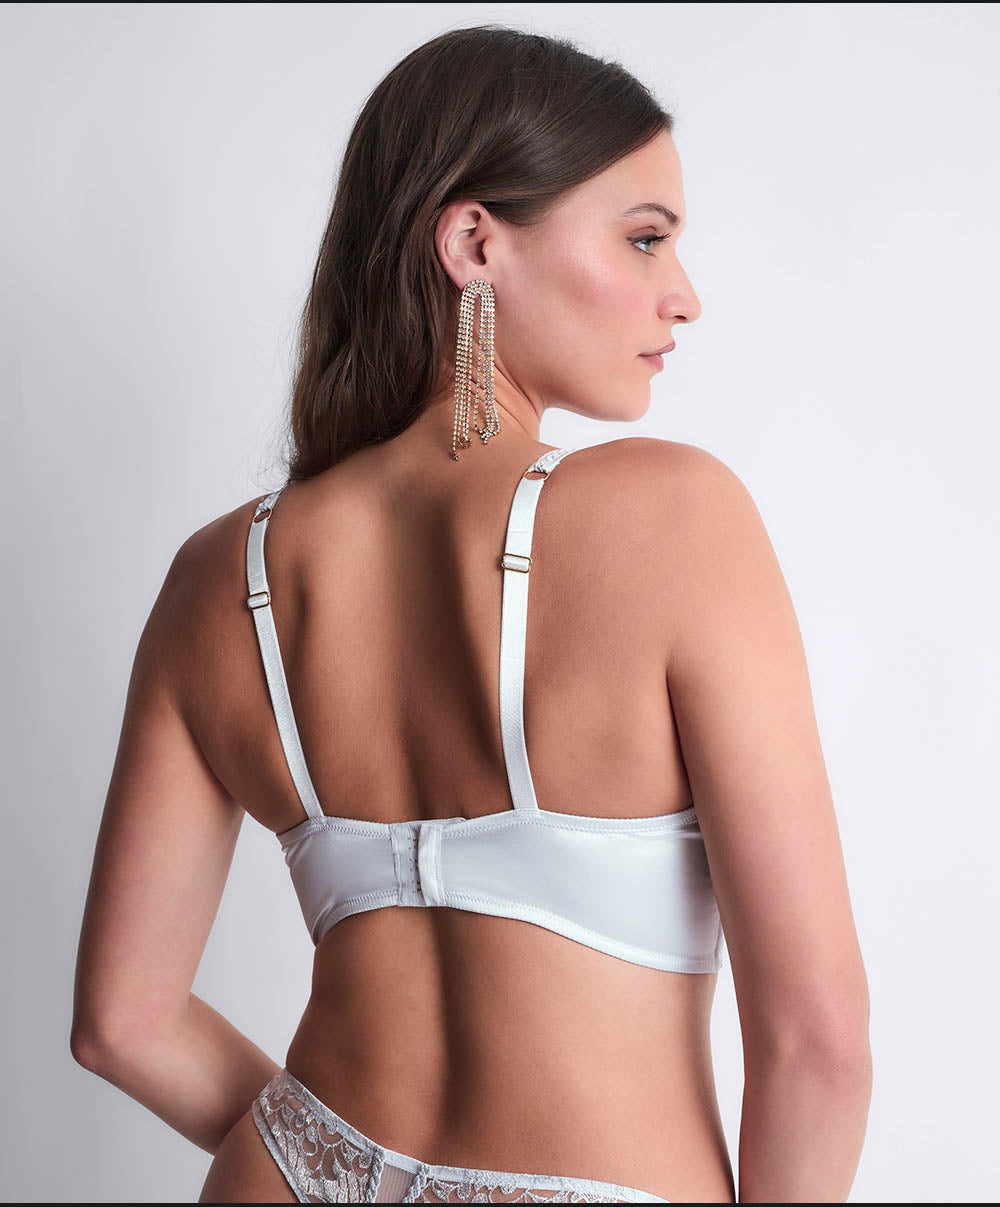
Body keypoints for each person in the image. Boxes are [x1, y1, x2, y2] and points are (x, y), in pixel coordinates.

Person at [70, 23, 872, 1205]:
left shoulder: (217, 576)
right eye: (644, 237)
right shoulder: (673, 517)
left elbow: (123, 1019)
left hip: (289, 1175)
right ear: (473, 243)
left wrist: (331, 1162)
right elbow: (817, 1044)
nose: (684, 295)